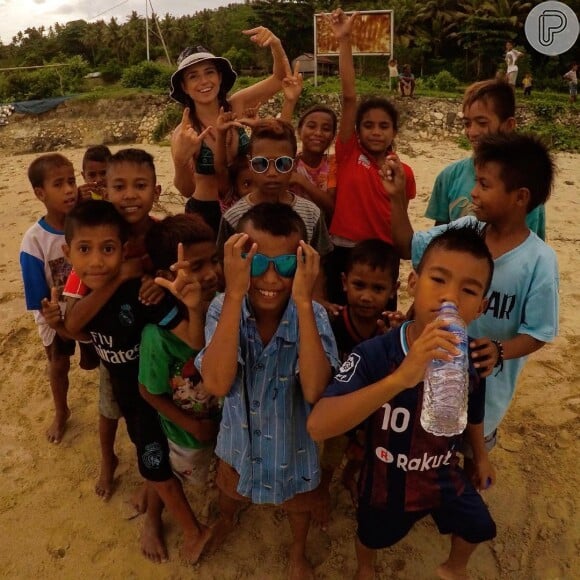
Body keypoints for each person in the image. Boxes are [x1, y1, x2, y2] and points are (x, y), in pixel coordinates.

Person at [308, 224, 497, 580]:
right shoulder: (376, 354)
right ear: (412, 283)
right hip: (386, 481)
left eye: (468, 290)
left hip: (443, 472)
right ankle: (366, 569)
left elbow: (474, 412)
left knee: (479, 526)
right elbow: (319, 424)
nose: (450, 298)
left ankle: (454, 567)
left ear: (481, 306)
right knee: (371, 536)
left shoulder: (470, 357)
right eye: (438, 280)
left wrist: (481, 457)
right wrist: (400, 378)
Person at [387, 132, 559, 463]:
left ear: (520, 197)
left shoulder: (539, 261)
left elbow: (539, 332)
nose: (473, 193)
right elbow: (409, 247)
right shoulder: (466, 230)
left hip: (487, 393)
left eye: (483, 184)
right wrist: (396, 199)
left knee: (470, 455)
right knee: (426, 450)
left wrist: (498, 350)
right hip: (433, 378)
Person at [196, 202, 340, 578]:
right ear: (237, 261)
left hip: (294, 447)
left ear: (304, 265)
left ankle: (296, 551)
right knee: (230, 489)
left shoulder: (314, 315)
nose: (272, 279)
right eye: (257, 263)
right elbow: (215, 383)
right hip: (237, 445)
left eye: (287, 266)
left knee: (299, 505)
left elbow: (314, 390)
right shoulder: (220, 309)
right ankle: (228, 519)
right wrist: (232, 293)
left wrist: (305, 302)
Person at [64, 200, 212, 564]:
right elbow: (72, 325)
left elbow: (193, 340)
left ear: (126, 247)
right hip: (128, 397)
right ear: (67, 253)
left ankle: (192, 529)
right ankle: (154, 506)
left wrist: (189, 305)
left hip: (156, 397)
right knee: (152, 459)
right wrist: (115, 278)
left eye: (108, 249)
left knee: (156, 467)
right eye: (85, 250)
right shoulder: (89, 293)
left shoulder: (145, 294)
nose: (97, 260)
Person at [63, 149, 164, 503]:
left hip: (151, 349)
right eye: (119, 186)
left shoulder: (161, 236)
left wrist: (161, 276)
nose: (130, 195)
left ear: (156, 190)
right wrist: (121, 273)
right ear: (105, 189)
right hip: (113, 349)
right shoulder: (96, 238)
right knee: (109, 408)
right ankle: (108, 459)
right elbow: (73, 318)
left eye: (140, 185)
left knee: (150, 422)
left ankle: (151, 481)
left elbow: (181, 274)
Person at [324, 9, 416, 309]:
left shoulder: (404, 172)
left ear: (394, 132)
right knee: (338, 322)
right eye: (368, 125)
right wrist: (345, 41)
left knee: (378, 325)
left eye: (384, 126)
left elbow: (401, 221)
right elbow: (349, 97)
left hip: (383, 255)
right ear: (357, 131)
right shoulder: (348, 152)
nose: (376, 132)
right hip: (342, 250)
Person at [170, 28, 292, 233]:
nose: (204, 82)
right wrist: (180, 161)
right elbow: (186, 190)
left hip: (248, 206)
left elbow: (280, 79)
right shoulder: (185, 132)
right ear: (184, 86)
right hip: (206, 215)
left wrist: (275, 45)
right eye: (193, 76)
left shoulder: (237, 105)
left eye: (209, 72)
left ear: (219, 76)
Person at [139, 213, 222, 489]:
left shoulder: (223, 308)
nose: (211, 274)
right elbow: (148, 391)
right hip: (185, 435)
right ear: (164, 277)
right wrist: (192, 426)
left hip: (223, 421)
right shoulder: (158, 336)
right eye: (197, 266)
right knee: (189, 475)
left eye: (214, 260)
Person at [319, 239, 401, 514]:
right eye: (359, 285)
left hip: (373, 410)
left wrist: (394, 339)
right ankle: (323, 489)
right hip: (340, 406)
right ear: (344, 282)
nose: (366, 296)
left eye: (378, 289)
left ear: (393, 290)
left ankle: (349, 476)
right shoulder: (332, 322)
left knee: (362, 450)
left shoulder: (392, 330)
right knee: (331, 453)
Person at [19, 153, 94, 444]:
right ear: (40, 193)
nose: (69, 190)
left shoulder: (85, 223)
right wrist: (57, 322)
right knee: (59, 364)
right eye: (58, 184)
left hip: (87, 309)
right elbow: (38, 296)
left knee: (97, 356)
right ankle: (62, 411)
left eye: (72, 181)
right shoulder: (34, 240)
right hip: (54, 314)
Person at [424, 79, 546, 240]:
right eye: (467, 123)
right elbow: (438, 239)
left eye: (482, 123)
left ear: (508, 125)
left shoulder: (523, 187)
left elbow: (530, 248)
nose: (472, 132)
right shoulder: (449, 177)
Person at [216, 118, 333, 261]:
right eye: (261, 163)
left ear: (294, 164)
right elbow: (226, 265)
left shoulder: (311, 214)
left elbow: (320, 266)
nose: (272, 172)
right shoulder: (233, 216)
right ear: (250, 164)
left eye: (282, 163)